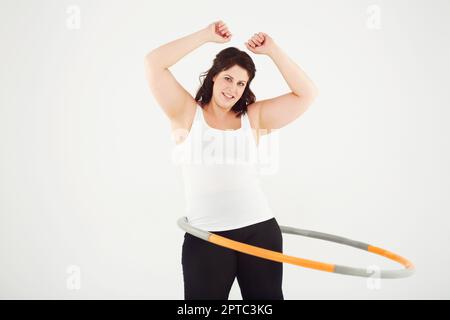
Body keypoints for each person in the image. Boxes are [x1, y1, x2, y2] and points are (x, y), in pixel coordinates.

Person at [144, 20, 318, 300]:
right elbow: (153, 63)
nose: (233, 88)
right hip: (206, 236)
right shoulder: (186, 113)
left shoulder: (255, 118)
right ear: (213, 76)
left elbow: (307, 94)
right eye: (228, 78)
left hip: (259, 230)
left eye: (241, 83)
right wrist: (204, 36)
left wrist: (273, 51)